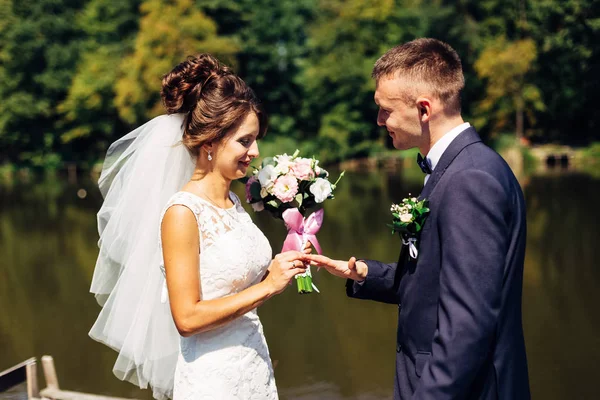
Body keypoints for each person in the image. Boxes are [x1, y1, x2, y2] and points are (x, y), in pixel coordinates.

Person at [306, 38, 530, 399]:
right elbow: (439, 281)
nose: (379, 121)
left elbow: (467, 325)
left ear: (424, 109)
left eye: (385, 110)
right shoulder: (455, 169)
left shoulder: (470, 180)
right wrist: (365, 273)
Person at [89, 54, 309, 400]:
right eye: (245, 141)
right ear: (209, 142)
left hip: (253, 363)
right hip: (213, 380)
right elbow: (187, 318)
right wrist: (270, 286)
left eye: (255, 139)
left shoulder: (234, 204)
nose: (256, 151)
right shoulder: (182, 213)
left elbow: (234, 280)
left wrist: (287, 259)